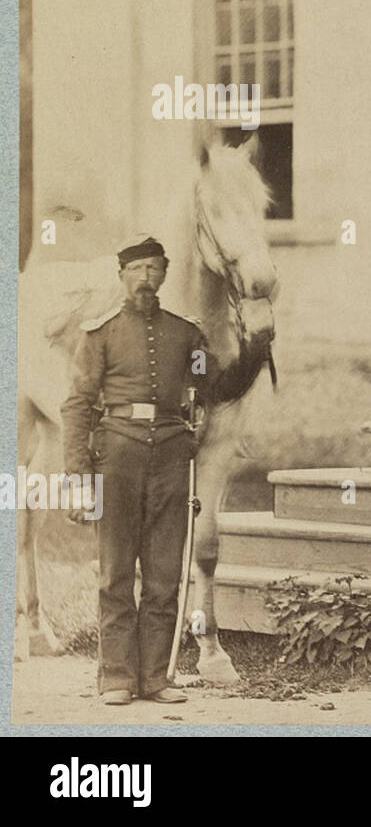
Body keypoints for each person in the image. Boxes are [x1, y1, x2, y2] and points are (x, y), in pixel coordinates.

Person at [61, 234, 266, 706]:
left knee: (163, 573)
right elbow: (76, 405)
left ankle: (156, 678)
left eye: (155, 269)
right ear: (122, 276)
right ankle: (116, 676)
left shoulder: (187, 335)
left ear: (165, 275)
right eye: (137, 270)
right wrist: (76, 479)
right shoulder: (101, 334)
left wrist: (254, 350)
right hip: (116, 456)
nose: (146, 279)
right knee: (115, 573)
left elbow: (213, 385)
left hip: (172, 458)